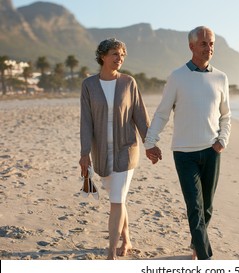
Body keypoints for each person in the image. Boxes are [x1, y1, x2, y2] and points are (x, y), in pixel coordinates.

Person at [145, 26, 231, 260]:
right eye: (203, 43)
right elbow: (162, 113)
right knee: (195, 207)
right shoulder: (177, 77)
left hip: (212, 151)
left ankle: (196, 245)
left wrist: (222, 141)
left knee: (207, 208)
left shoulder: (221, 78)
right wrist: (150, 142)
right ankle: (205, 259)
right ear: (191, 46)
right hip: (184, 153)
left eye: (211, 43)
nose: (209, 48)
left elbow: (226, 115)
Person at [79, 38, 152, 260]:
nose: (119, 58)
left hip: (126, 150)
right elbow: (86, 121)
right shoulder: (89, 85)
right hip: (101, 153)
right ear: (102, 56)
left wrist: (150, 144)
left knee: (117, 200)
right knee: (116, 197)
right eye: (114, 53)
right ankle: (127, 239)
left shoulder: (129, 82)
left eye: (122, 54)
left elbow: (140, 114)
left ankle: (111, 252)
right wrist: (84, 153)